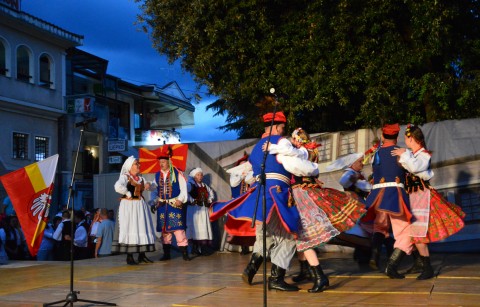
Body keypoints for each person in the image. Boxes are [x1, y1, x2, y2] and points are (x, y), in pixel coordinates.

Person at [210, 108, 319, 291]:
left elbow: (252, 173)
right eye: (282, 127)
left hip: (259, 194)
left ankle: (251, 268)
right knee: (288, 235)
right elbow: (293, 164)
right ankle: (276, 278)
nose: (283, 131)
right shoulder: (282, 142)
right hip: (277, 194)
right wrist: (311, 164)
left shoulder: (256, 148)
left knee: (264, 234)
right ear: (277, 127)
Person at [267, 128, 366, 292]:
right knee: (301, 236)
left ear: (299, 140)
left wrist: (276, 150)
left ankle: (320, 277)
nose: (293, 142)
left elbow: (298, 166)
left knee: (304, 238)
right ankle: (307, 271)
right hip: (303, 194)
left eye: (295, 139)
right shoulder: (304, 152)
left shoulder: (303, 153)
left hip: (303, 195)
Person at [391, 124, 465, 279]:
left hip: (421, 196)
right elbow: (408, 166)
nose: (406, 142)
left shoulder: (424, 155)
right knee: (414, 233)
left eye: (406, 139)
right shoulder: (413, 154)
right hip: (413, 196)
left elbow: (415, 167)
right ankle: (420, 264)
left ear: (412, 138)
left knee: (418, 234)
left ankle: (428, 268)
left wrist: (404, 154)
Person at [362, 123, 413, 279]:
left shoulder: (376, 154)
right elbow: (412, 169)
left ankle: (375, 254)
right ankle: (392, 265)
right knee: (405, 232)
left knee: (380, 226)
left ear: (383, 137)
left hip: (378, 195)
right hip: (394, 194)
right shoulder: (401, 153)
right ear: (397, 137)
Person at [112, 156, 156, 265]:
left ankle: (142, 255)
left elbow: (152, 187)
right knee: (131, 227)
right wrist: (128, 193)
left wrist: (149, 184)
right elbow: (117, 186)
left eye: (138, 163)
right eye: (136, 164)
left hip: (140, 206)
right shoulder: (125, 177)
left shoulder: (141, 178)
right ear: (130, 166)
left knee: (141, 227)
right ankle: (129, 256)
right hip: (129, 206)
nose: (139, 165)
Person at [151, 147, 191, 261]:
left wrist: (181, 199)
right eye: (160, 162)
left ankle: (184, 254)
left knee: (178, 229)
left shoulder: (177, 172)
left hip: (174, 204)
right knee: (165, 231)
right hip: (163, 206)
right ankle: (167, 254)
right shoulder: (157, 175)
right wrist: (154, 200)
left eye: (163, 162)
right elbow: (155, 189)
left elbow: (183, 188)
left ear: (168, 161)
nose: (161, 164)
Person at [224, 153, 256, 255]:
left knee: (249, 225)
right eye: (242, 165)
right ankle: (243, 247)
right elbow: (234, 183)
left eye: (245, 165)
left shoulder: (252, 174)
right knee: (239, 224)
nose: (244, 167)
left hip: (249, 202)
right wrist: (241, 174)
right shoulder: (234, 175)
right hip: (238, 203)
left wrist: (248, 173)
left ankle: (254, 248)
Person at [187, 168, 215, 256]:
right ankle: (195, 248)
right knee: (195, 228)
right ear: (194, 176)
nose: (200, 177)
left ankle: (203, 248)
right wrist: (192, 201)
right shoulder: (190, 185)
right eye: (198, 175)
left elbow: (211, 194)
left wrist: (209, 200)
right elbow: (186, 194)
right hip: (194, 210)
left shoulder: (204, 185)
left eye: (201, 175)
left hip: (203, 210)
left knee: (203, 227)